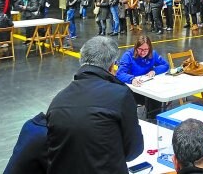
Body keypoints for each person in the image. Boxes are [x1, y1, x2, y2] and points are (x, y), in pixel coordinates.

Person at [46, 36, 144, 173]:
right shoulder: (120, 95)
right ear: (112, 66)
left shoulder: (58, 100)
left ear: (82, 60)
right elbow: (134, 150)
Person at [116, 35, 169, 119]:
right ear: (136, 47)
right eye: (140, 49)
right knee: (151, 100)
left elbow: (165, 65)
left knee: (156, 98)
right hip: (132, 90)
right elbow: (119, 74)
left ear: (150, 49)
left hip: (147, 87)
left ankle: (153, 120)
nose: (143, 52)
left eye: (146, 50)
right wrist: (131, 79)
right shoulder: (128, 56)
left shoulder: (153, 54)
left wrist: (154, 71)